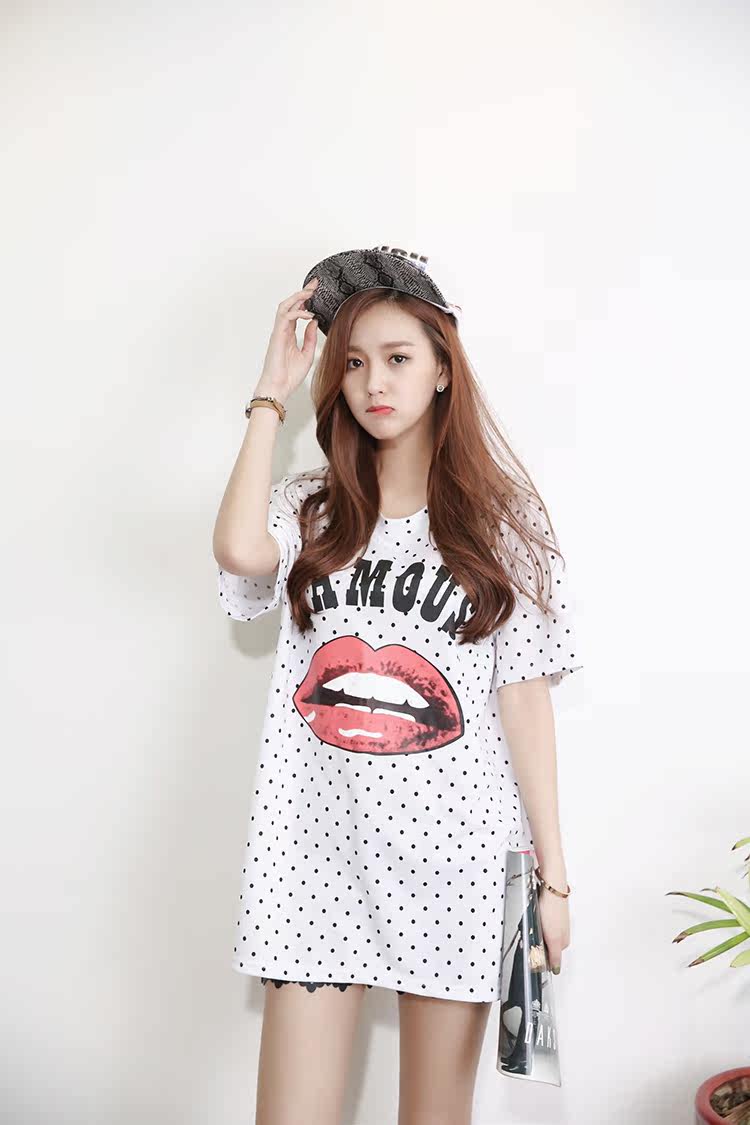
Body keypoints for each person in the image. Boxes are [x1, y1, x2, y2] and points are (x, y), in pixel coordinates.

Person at [212, 246, 583, 1125]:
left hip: (455, 861)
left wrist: (554, 881)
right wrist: (270, 389)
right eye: (352, 361)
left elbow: (523, 699)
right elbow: (238, 550)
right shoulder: (309, 509)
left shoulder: (504, 523)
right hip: (313, 857)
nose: (373, 381)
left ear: (444, 367)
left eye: (397, 356)